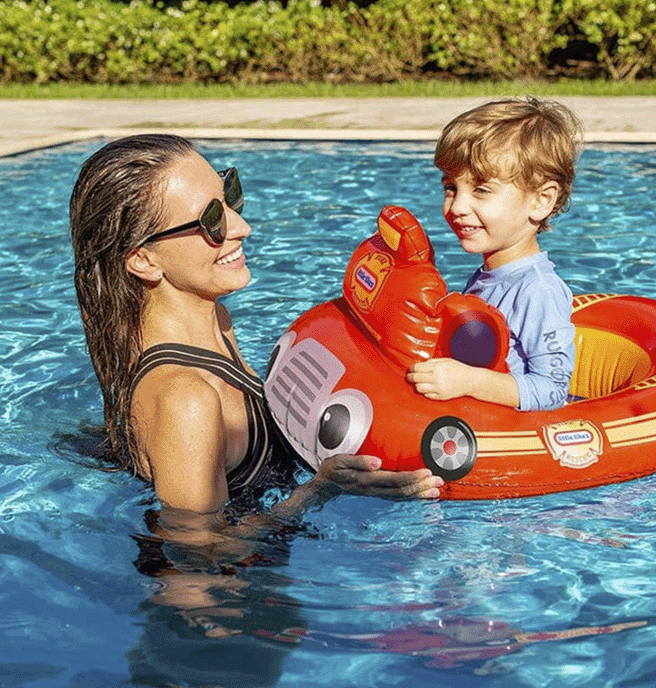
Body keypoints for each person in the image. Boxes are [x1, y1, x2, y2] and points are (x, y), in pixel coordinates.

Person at [70, 133, 442, 527]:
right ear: (144, 261)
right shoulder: (188, 400)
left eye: (229, 194)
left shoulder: (214, 323)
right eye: (210, 220)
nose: (241, 227)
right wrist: (318, 492)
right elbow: (193, 567)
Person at [407, 97, 582, 411]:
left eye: (481, 190)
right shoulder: (490, 275)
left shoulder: (537, 290)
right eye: (450, 187)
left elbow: (552, 391)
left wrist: (468, 381)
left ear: (541, 200)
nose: (457, 207)